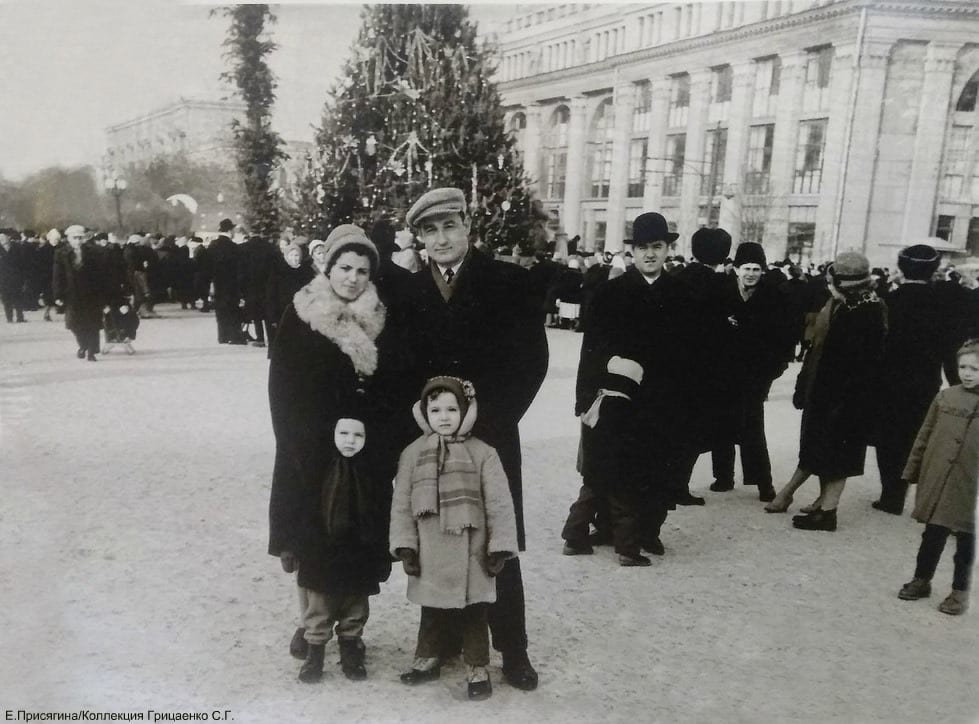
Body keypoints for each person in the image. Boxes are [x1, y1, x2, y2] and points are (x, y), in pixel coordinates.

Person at [393, 187, 547, 691]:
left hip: (491, 440)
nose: (440, 239)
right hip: (432, 441)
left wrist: (487, 419)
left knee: (499, 538)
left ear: (467, 227)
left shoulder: (508, 282)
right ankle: (442, 641)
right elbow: (402, 365)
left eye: (449, 226)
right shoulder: (411, 292)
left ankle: (514, 649)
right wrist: (425, 419)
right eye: (429, 231)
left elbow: (530, 361)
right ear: (419, 239)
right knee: (440, 536)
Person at [267, 224, 397, 682]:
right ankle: (311, 626)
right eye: (345, 267)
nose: (353, 278)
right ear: (328, 267)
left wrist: (375, 436)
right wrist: (302, 441)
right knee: (311, 537)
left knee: (355, 537)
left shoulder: (380, 316)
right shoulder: (302, 313)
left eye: (362, 270)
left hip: (363, 450)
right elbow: (282, 386)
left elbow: (389, 387)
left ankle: (351, 634)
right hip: (312, 447)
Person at [391, 377, 518, 700]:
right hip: (430, 548)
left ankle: (477, 667)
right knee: (431, 609)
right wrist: (406, 545)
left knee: (474, 612)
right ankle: (428, 658)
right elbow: (403, 504)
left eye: (452, 409)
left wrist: (499, 546)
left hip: (472, 549)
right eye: (435, 410)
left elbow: (500, 503)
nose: (444, 417)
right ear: (424, 413)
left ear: (466, 410)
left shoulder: (483, 453)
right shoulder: (413, 453)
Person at [571, 212, 691, 555]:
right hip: (616, 398)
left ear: (668, 249)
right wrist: (584, 397)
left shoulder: (683, 295)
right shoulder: (611, 293)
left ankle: (649, 530)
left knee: (658, 464)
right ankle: (608, 527)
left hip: (663, 398)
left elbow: (693, 353)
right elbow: (591, 348)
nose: (650, 254)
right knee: (610, 463)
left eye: (657, 246)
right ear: (632, 251)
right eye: (642, 247)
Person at [764, 251, 887, 530]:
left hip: (845, 396)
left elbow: (857, 361)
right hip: (831, 392)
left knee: (837, 453)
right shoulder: (850, 305)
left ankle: (827, 512)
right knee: (824, 448)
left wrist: (837, 397)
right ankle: (822, 504)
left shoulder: (864, 311)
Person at [278, 412, 392, 682]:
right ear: (332, 435)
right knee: (319, 605)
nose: (350, 441)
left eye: (358, 435)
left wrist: (382, 555)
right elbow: (302, 512)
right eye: (343, 434)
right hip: (322, 554)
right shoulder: (317, 471)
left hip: (358, 553)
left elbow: (381, 515)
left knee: (355, 605)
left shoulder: (372, 475)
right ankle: (314, 654)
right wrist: (293, 547)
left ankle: (350, 648)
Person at [871, 245, 959, 515]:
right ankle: (905, 491)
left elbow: (876, 345)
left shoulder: (888, 301)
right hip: (925, 381)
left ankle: (891, 494)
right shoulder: (944, 305)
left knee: (888, 437)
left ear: (901, 267)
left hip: (889, 381)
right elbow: (950, 349)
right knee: (915, 435)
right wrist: (955, 381)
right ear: (933, 270)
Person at [897, 339, 979, 616]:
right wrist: (912, 470)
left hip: (970, 485)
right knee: (933, 534)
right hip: (940, 477)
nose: (967, 373)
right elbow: (925, 434)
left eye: (976, 369)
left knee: (967, 542)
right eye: (963, 367)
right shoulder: (946, 397)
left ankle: (960, 591)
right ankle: (922, 580)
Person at [709, 242, 793, 502]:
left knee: (753, 428)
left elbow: (783, 340)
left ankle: (763, 482)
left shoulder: (774, 297)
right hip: (723, 373)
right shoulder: (721, 293)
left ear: (763, 271)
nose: (751, 273)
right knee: (721, 424)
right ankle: (723, 477)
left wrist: (770, 372)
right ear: (735, 269)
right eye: (746, 268)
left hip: (755, 375)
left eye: (757, 268)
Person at [560, 356, 650, 565]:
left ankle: (573, 540)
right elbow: (632, 440)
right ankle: (628, 551)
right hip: (620, 469)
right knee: (625, 508)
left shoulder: (598, 402)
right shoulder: (625, 407)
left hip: (594, 467)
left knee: (587, 500)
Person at [52, 225, 108, 361]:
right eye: (74, 238)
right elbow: (58, 275)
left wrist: (103, 293)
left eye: (80, 238)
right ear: (68, 239)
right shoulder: (61, 253)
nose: (78, 240)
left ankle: (91, 351)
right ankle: (83, 345)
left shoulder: (93, 252)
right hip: (71, 294)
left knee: (93, 323)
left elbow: (100, 274)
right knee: (74, 324)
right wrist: (58, 295)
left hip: (91, 293)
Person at [207, 219, 245, 344]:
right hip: (232, 284)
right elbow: (239, 268)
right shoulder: (234, 247)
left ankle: (222, 336)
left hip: (217, 283)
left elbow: (207, 267)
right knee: (232, 309)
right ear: (230, 230)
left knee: (220, 309)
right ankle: (233, 336)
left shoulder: (213, 246)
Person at [0, 229, 26, 323]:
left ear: (8, 238)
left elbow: (22, 263)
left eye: (3, 237)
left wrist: (23, 278)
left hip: (16, 278)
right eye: (0, 238)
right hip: (3, 280)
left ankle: (20, 317)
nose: (2, 239)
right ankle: (9, 318)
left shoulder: (17, 247)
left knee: (18, 299)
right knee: (6, 300)